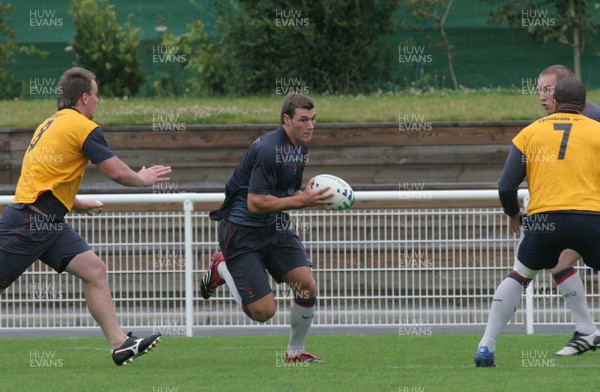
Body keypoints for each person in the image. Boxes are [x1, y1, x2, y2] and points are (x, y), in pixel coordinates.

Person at [0, 67, 172, 366]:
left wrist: (74, 202)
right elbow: (116, 171)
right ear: (84, 97)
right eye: (96, 95)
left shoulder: (51, 123)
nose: (98, 101)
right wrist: (141, 179)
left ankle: (120, 345)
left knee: (94, 270)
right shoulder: (82, 126)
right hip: (29, 223)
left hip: (47, 222)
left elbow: (45, 175)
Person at [474, 77, 600, 367]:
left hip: (545, 221)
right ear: (584, 105)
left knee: (519, 276)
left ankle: (486, 346)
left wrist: (512, 213)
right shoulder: (598, 131)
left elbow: (506, 185)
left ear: (554, 102)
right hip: (591, 220)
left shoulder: (530, 132)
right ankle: (587, 331)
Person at [199, 93, 333, 363]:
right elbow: (256, 203)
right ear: (286, 120)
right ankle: (220, 267)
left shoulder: (300, 148)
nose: (311, 126)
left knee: (306, 286)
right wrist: (301, 200)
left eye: (314, 119)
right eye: (304, 120)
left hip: (276, 227)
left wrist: (309, 195)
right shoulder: (269, 150)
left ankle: (295, 354)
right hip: (242, 232)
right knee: (263, 312)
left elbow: (286, 192)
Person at [533, 65, 600, 356]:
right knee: (558, 262)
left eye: (548, 90)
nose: (542, 97)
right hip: (581, 211)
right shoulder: (553, 123)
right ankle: (587, 331)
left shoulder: (593, 119)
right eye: (540, 90)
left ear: (566, 91)